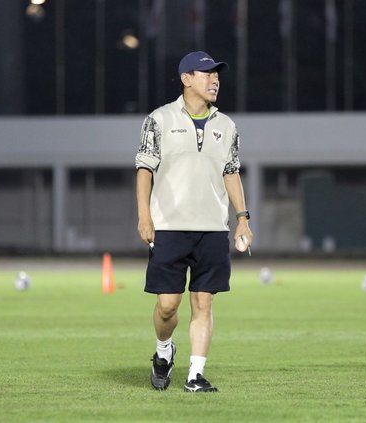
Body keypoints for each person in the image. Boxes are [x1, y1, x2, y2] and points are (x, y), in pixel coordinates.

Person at [135, 51, 253, 392]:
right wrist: (144, 216)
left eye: (217, 75)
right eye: (206, 74)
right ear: (187, 79)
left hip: (213, 229)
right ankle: (163, 351)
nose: (215, 79)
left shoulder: (227, 126)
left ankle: (195, 375)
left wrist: (242, 219)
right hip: (169, 226)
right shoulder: (157, 120)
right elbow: (144, 169)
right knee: (168, 306)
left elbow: (231, 173)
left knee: (204, 302)